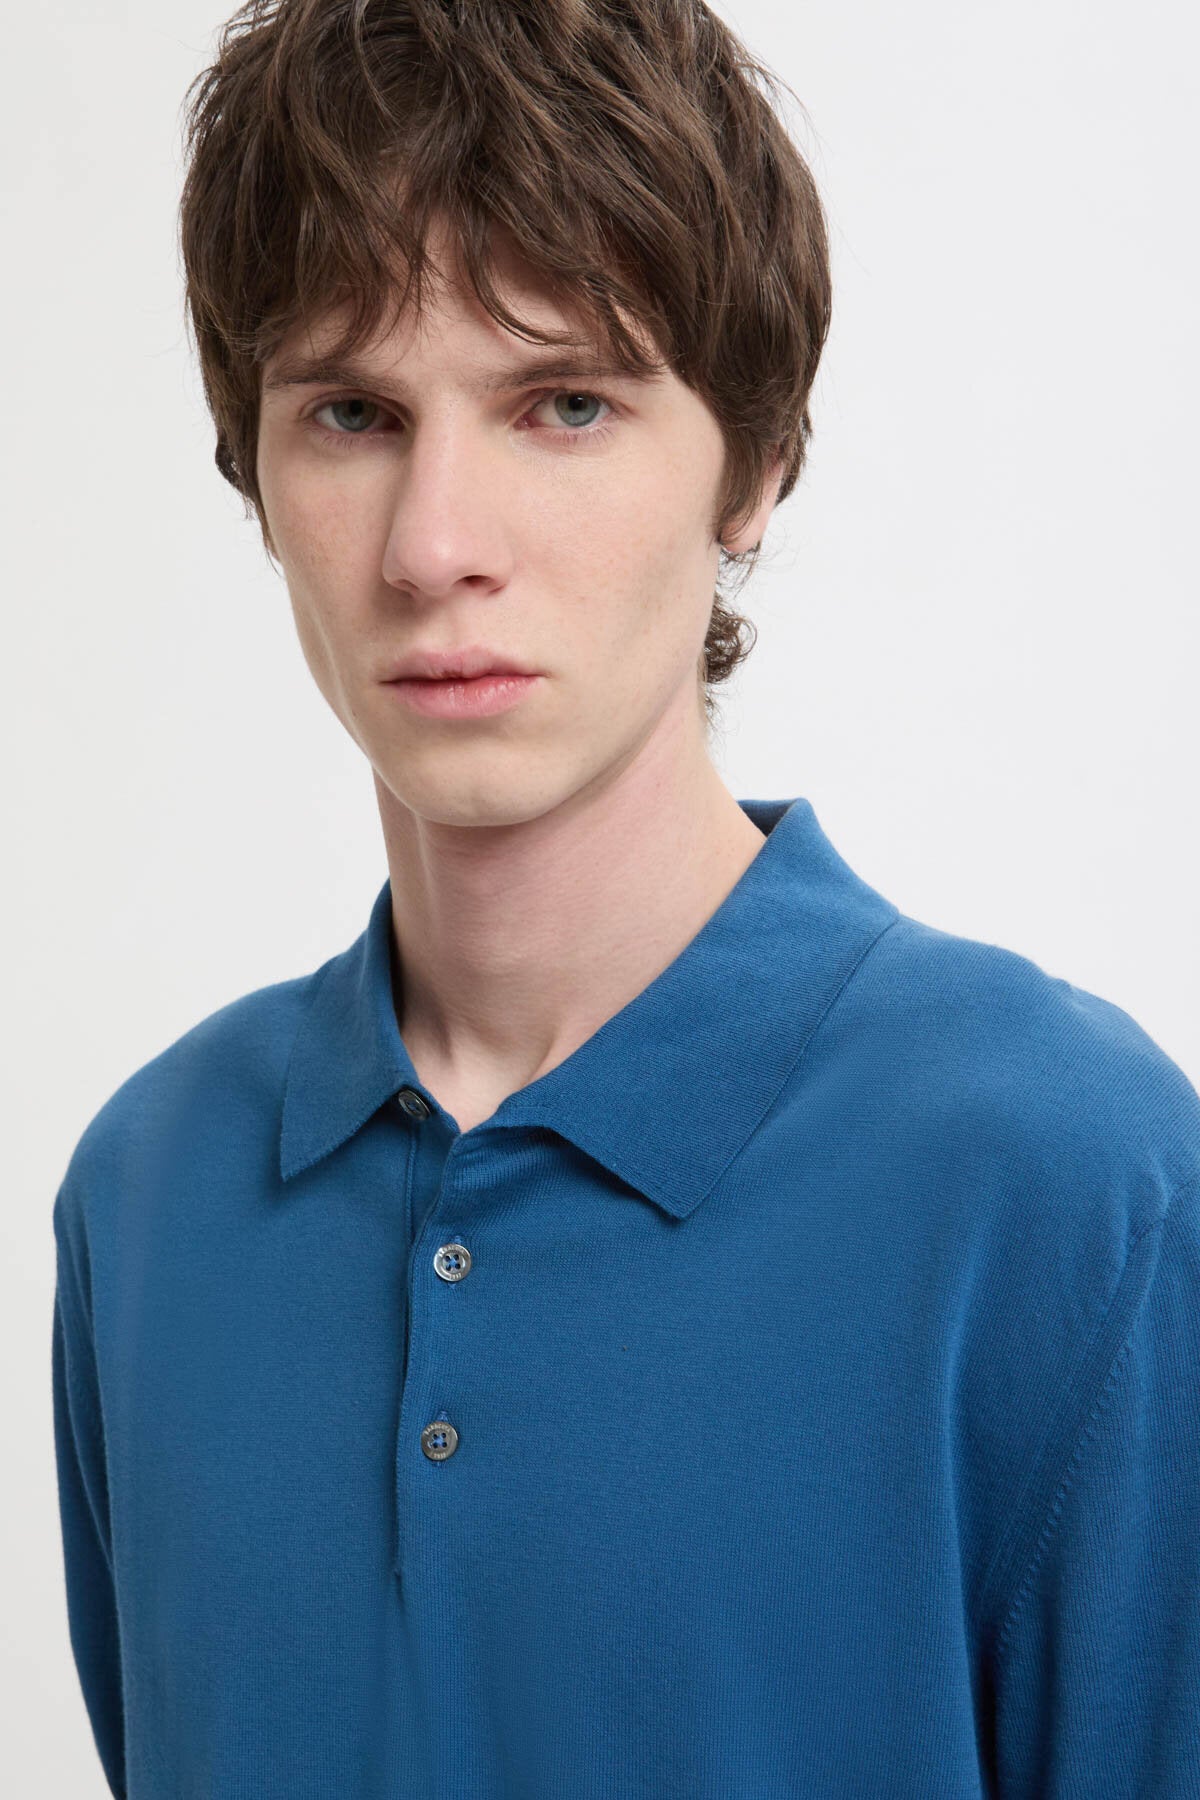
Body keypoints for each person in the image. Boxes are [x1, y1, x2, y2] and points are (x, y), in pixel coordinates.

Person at [50, 1, 1200, 1795]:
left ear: (756, 461)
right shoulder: (148, 1193)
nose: (435, 544)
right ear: (253, 470)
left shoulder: (1070, 1181)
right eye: (351, 413)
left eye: (565, 403)